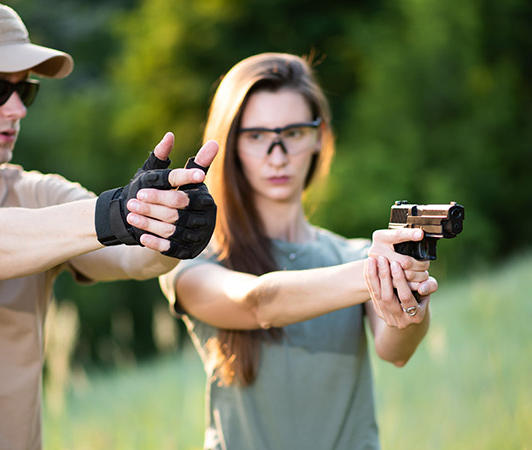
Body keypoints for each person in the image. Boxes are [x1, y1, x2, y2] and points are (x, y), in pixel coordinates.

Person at [0, 0, 217, 449]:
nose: (16, 109)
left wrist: (167, 224)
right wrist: (117, 213)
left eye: (24, 91)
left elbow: (131, 257)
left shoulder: (38, 195)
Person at [159, 52, 437, 450]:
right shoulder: (194, 259)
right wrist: (374, 271)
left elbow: (395, 349)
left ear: (318, 137)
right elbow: (258, 303)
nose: (278, 155)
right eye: (256, 136)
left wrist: (411, 294)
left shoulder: (351, 254)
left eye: (293, 133)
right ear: (232, 146)